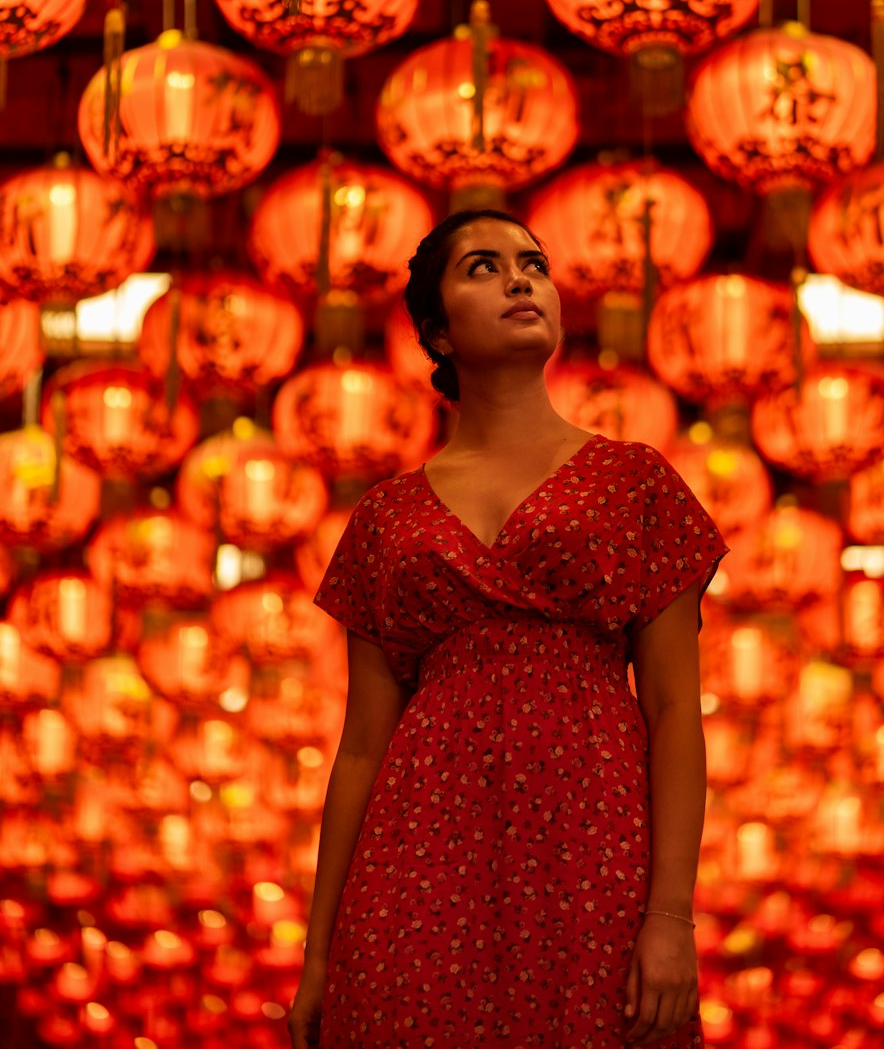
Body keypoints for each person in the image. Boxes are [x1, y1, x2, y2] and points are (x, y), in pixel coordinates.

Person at [289, 209, 727, 1049]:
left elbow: (675, 710)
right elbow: (359, 746)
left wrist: (672, 916)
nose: (521, 280)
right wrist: (319, 954)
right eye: (483, 268)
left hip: (594, 854)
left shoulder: (635, 481)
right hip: (412, 860)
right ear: (437, 331)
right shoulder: (385, 515)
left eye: (533, 263)